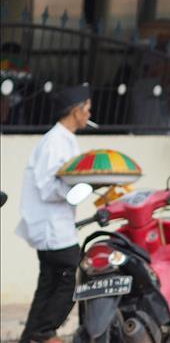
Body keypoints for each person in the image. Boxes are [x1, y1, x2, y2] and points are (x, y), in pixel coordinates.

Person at [16, 85, 89, 343]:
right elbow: (48, 188)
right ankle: (44, 332)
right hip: (51, 227)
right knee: (71, 276)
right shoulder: (54, 142)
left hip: (58, 225)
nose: (89, 113)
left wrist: (88, 185)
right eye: (87, 108)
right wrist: (82, 187)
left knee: (48, 284)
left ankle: (30, 337)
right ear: (75, 110)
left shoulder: (66, 139)